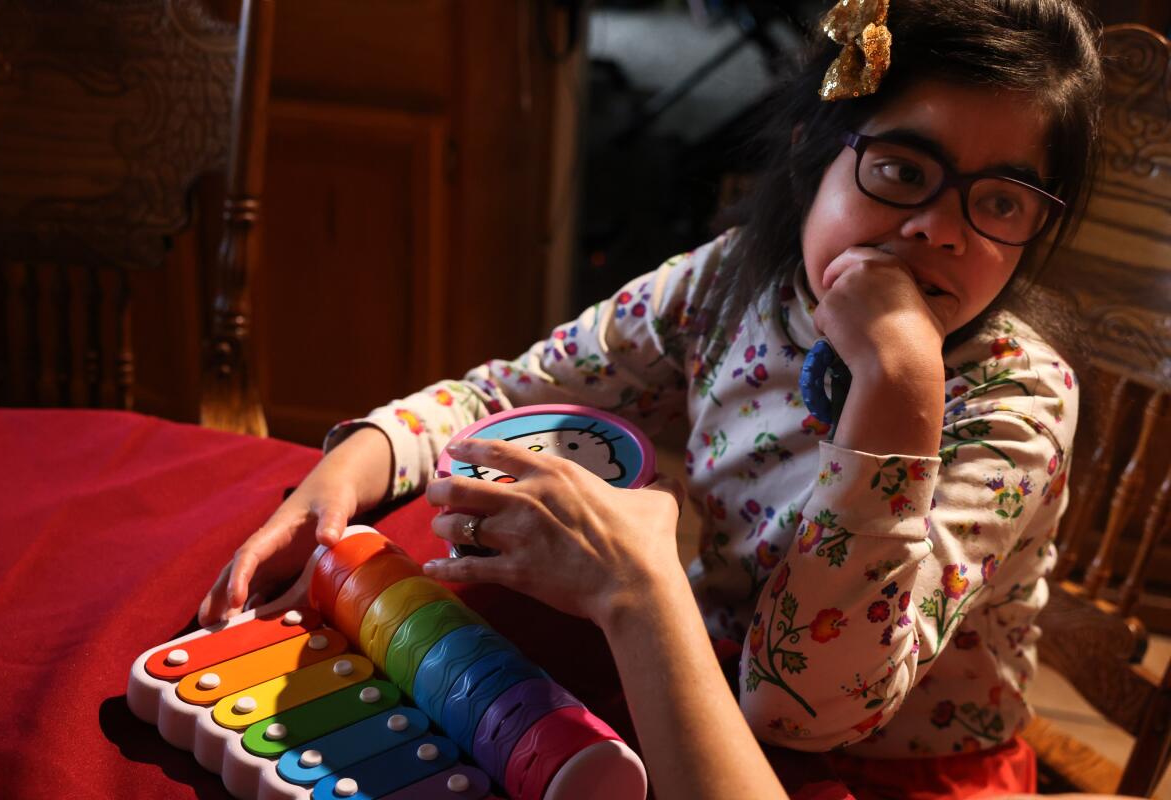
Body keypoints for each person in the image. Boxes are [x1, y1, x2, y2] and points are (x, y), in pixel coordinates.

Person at [198, 0, 1103, 797]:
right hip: (696, 688)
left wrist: (900, 383)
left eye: (1003, 203)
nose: (938, 229)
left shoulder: (1017, 405)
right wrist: (353, 463)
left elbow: (804, 709)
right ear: (811, 157)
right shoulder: (729, 287)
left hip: (896, 771)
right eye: (903, 170)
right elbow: (505, 394)